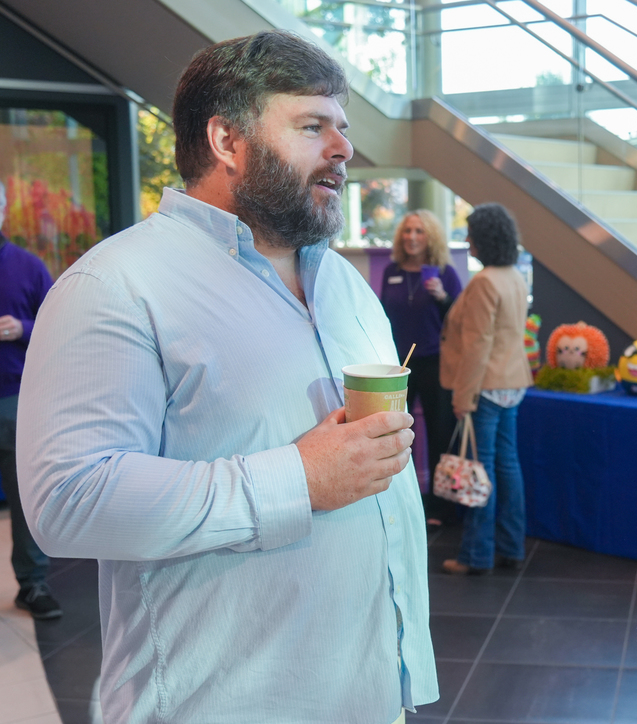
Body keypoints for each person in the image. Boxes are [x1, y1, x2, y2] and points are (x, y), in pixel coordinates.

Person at [18, 31, 437, 724]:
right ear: (226, 141)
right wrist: (298, 478)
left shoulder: (347, 288)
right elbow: (68, 500)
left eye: (344, 128)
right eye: (312, 126)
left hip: (373, 693)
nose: (343, 149)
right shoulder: (115, 285)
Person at [439, 203, 533, 575]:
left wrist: (462, 397)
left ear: (484, 238)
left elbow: (478, 345)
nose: (467, 240)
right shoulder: (514, 276)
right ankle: (511, 547)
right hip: (513, 381)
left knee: (481, 470)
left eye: (471, 234)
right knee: (507, 467)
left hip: (486, 386)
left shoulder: (484, 281)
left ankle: (476, 555)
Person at [0, 180, 61, 620]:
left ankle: (32, 584)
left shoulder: (29, 267)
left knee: (24, 499)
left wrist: (22, 328)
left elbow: (60, 329)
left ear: (3, 210)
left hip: (14, 400)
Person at [380, 210, 462, 529]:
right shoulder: (392, 271)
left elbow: (461, 320)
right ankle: (403, 498)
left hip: (435, 362)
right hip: (399, 365)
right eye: (407, 231)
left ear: (431, 238)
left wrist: (443, 297)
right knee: (398, 432)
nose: (411, 237)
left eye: (419, 231)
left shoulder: (444, 273)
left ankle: (441, 508)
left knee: (439, 434)